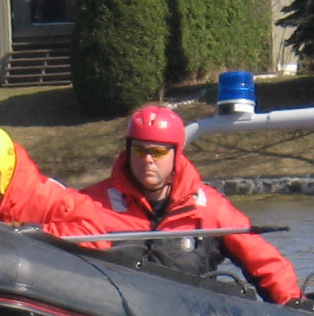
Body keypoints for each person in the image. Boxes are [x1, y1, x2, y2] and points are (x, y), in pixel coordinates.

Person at [82, 105, 302, 304]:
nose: (148, 160)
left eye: (158, 152)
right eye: (140, 151)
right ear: (128, 152)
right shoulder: (90, 204)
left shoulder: (209, 208)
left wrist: (292, 303)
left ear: (176, 154)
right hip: (114, 315)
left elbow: (264, 261)